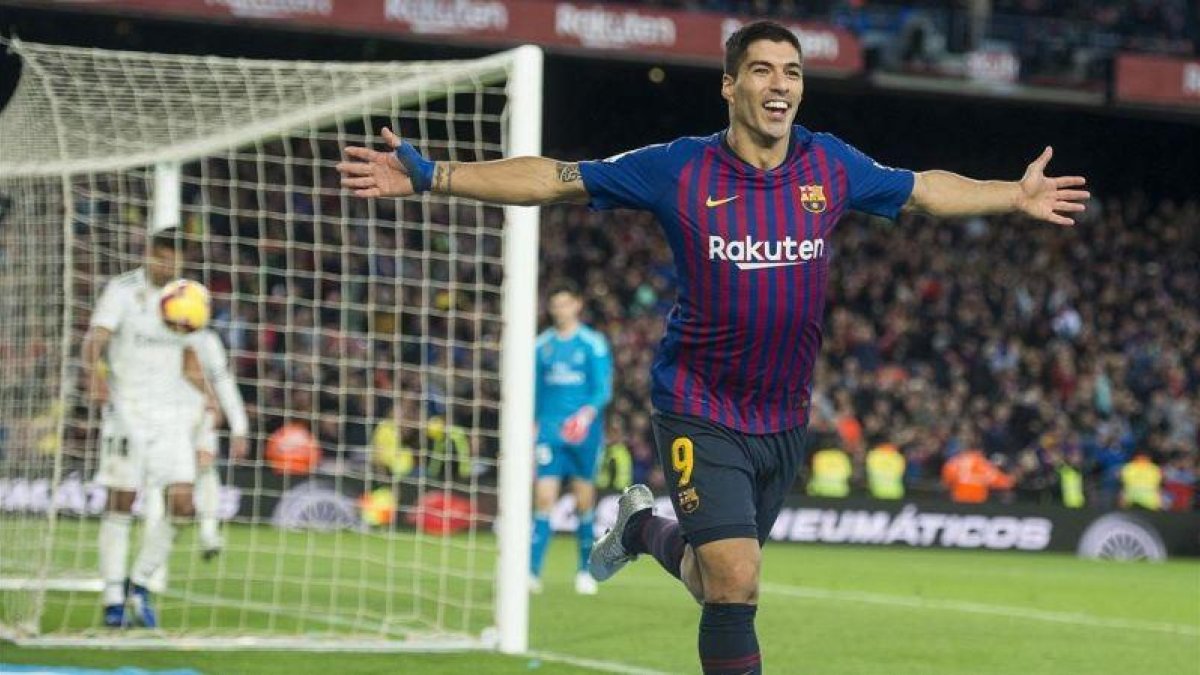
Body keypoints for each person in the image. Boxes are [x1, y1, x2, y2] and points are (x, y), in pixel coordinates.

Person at [337, 20, 1088, 673]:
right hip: (699, 406)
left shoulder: (831, 166)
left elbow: (923, 187)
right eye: (762, 69)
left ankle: (637, 527)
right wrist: (437, 177)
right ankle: (644, 530)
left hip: (784, 419)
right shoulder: (679, 168)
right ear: (728, 86)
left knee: (712, 576)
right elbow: (558, 179)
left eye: (792, 72)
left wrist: (1011, 195)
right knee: (736, 580)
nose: (780, 84)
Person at [82, 230, 216, 628]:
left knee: (183, 505)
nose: (167, 265)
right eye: (160, 256)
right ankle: (111, 599)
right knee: (121, 501)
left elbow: (190, 357)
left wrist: (209, 396)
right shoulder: (122, 292)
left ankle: (138, 585)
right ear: (148, 254)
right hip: (127, 413)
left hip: (172, 415)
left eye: (174, 259)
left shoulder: (189, 298)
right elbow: (96, 339)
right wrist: (94, 375)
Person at [529, 283, 613, 595]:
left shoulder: (592, 343)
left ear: (577, 305)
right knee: (544, 498)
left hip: (584, 434)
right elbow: (534, 391)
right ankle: (531, 573)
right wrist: (532, 426)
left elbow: (602, 388)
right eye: (555, 304)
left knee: (583, 500)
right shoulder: (541, 346)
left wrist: (585, 416)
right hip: (550, 433)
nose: (560, 310)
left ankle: (584, 571)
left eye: (565, 303)